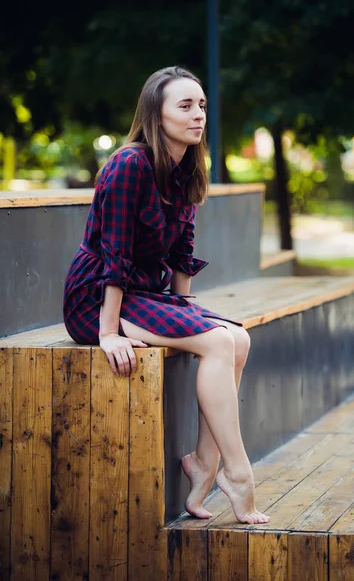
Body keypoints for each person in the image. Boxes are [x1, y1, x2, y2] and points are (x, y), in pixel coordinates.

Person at [63, 65, 270, 525]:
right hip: (94, 298)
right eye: (185, 105)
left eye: (201, 105)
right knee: (217, 342)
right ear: (156, 116)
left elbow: (181, 253)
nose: (198, 115)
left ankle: (201, 462)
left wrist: (186, 311)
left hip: (143, 295)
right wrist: (107, 333)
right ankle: (235, 472)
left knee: (237, 338)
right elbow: (114, 253)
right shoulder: (128, 164)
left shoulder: (185, 170)